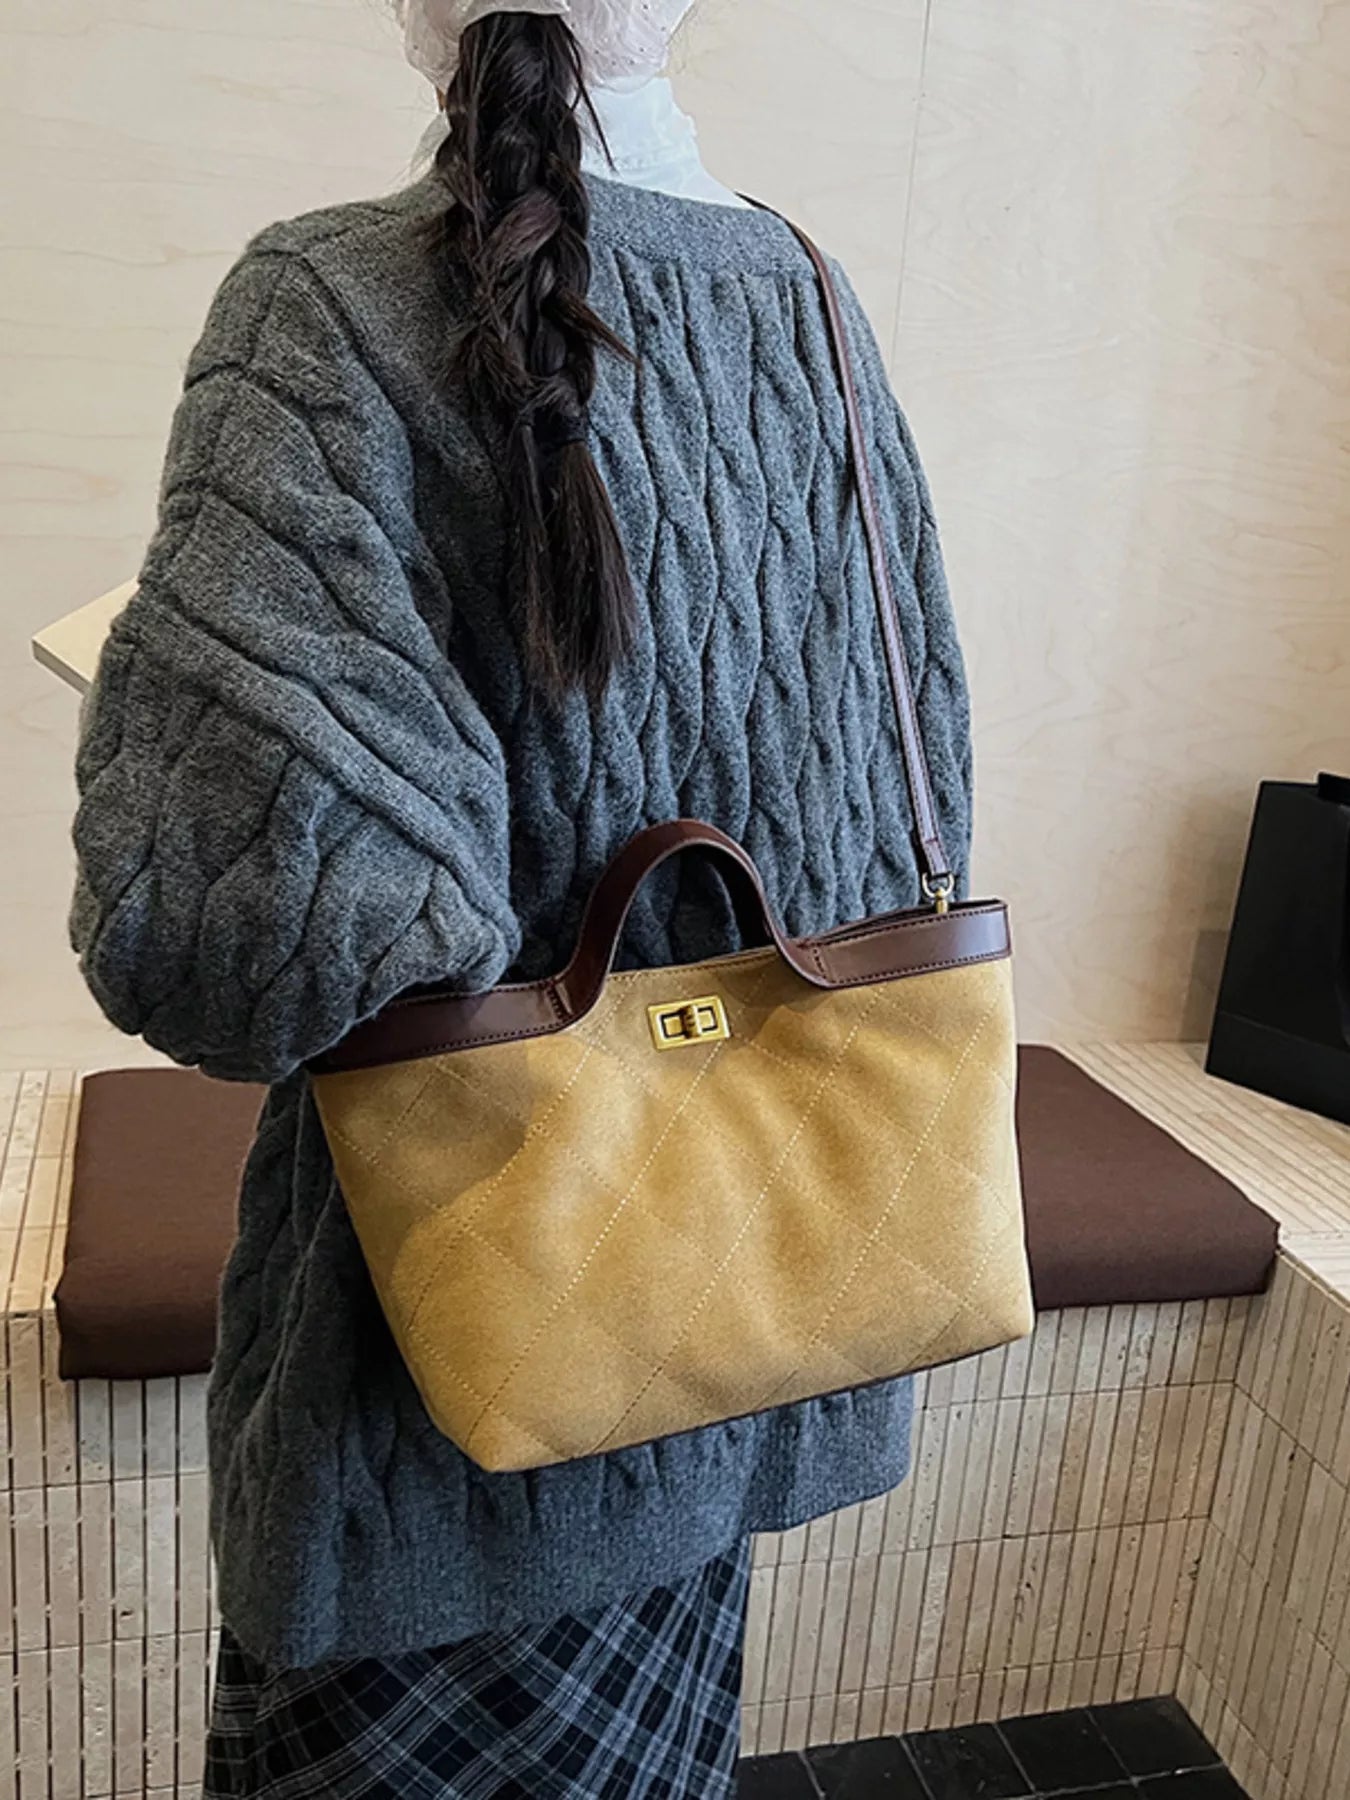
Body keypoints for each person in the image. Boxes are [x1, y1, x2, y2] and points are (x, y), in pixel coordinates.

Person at [68, 2, 974, 1793]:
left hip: (447, 1391)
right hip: (735, 1318)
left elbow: (239, 955)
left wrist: (170, 713)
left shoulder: (323, 303)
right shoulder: (808, 294)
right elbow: (915, 793)